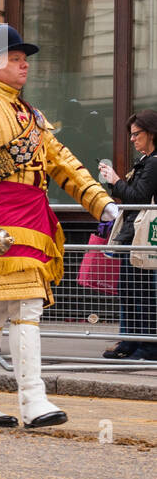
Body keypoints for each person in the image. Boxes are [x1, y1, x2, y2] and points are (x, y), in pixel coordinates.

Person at [0, 24, 117, 428]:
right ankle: (33, 399)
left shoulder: (32, 115)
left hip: (30, 216)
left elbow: (62, 162)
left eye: (24, 58)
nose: (23, 64)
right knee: (25, 305)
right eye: (15, 58)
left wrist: (101, 201)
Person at [98, 109, 157, 360]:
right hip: (133, 237)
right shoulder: (146, 161)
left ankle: (147, 347)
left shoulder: (155, 161)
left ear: (151, 132)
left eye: (136, 134)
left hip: (144, 238)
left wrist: (115, 180)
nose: (132, 139)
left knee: (143, 293)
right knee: (130, 290)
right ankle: (131, 341)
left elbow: (138, 197)